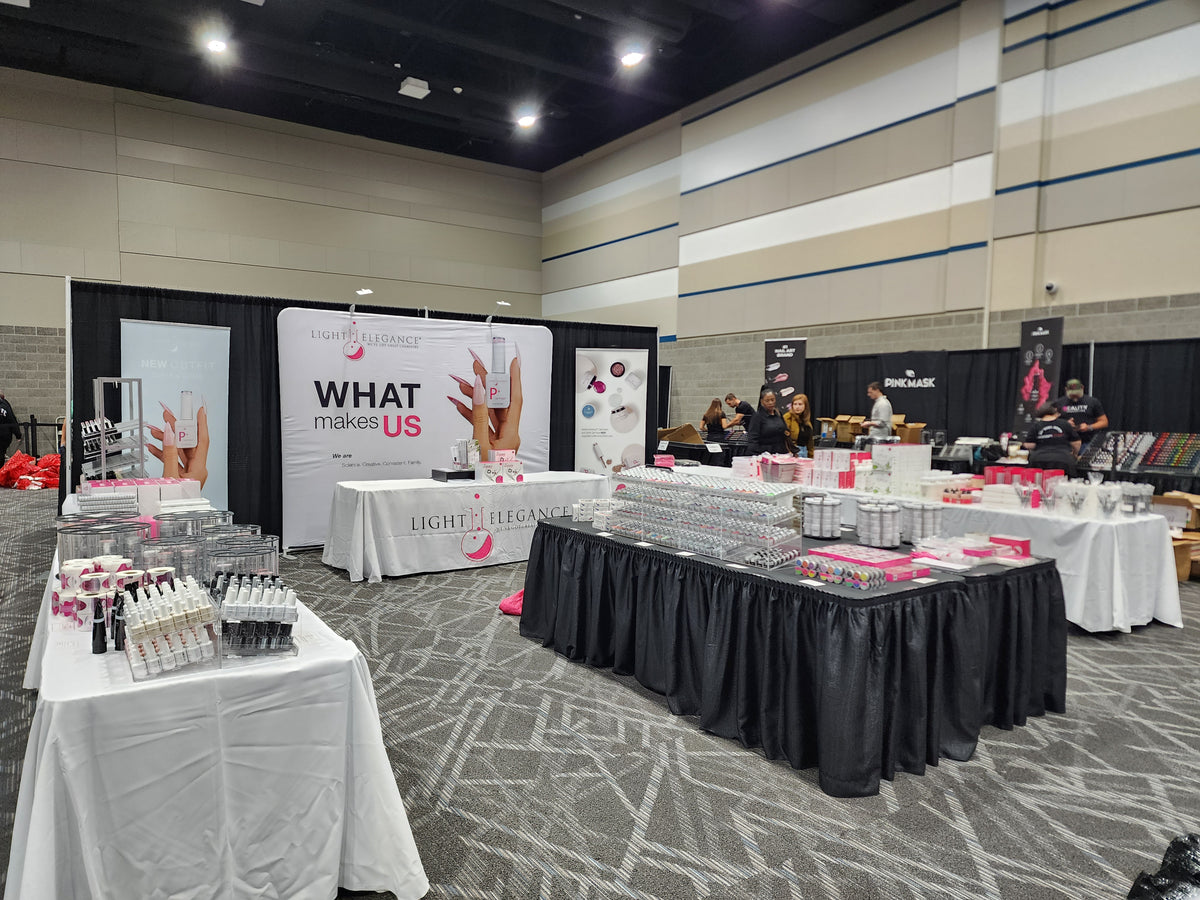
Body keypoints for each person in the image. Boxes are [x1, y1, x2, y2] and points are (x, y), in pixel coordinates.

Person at [1022, 403, 1081, 477]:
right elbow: (1076, 443)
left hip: (1039, 459)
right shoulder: (1065, 424)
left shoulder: (1035, 426)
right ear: (1055, 412)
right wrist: (1075, 455)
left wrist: (1021, 445)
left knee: (1037, 482)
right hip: (1063, 459)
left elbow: (1030, 445)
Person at [1052, 379, 1108, 449]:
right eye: (1072, 394)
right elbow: (1050, 422)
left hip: (1087, 442)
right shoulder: (1059, 403)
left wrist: (1089, 427)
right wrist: (1065, 424)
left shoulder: (1092, 402)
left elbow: (1104, 422)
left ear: (1082, 388)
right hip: (1066, 442)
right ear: (1066, 390)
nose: (1075, 396)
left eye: (1077, 393)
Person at [746, 389, 788, 454]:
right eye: (767, 401)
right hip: (764, 453)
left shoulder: (778, 413)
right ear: (762, 401)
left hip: (781, 452)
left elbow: (785, 431)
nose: (770, 403)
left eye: (772, 400)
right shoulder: (757, 416)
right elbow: (753, 438)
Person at [0, 391, 21, 459]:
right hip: (4, 435)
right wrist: (18, 434)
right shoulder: (5, 405)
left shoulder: (4, 405)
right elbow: (11, 419)